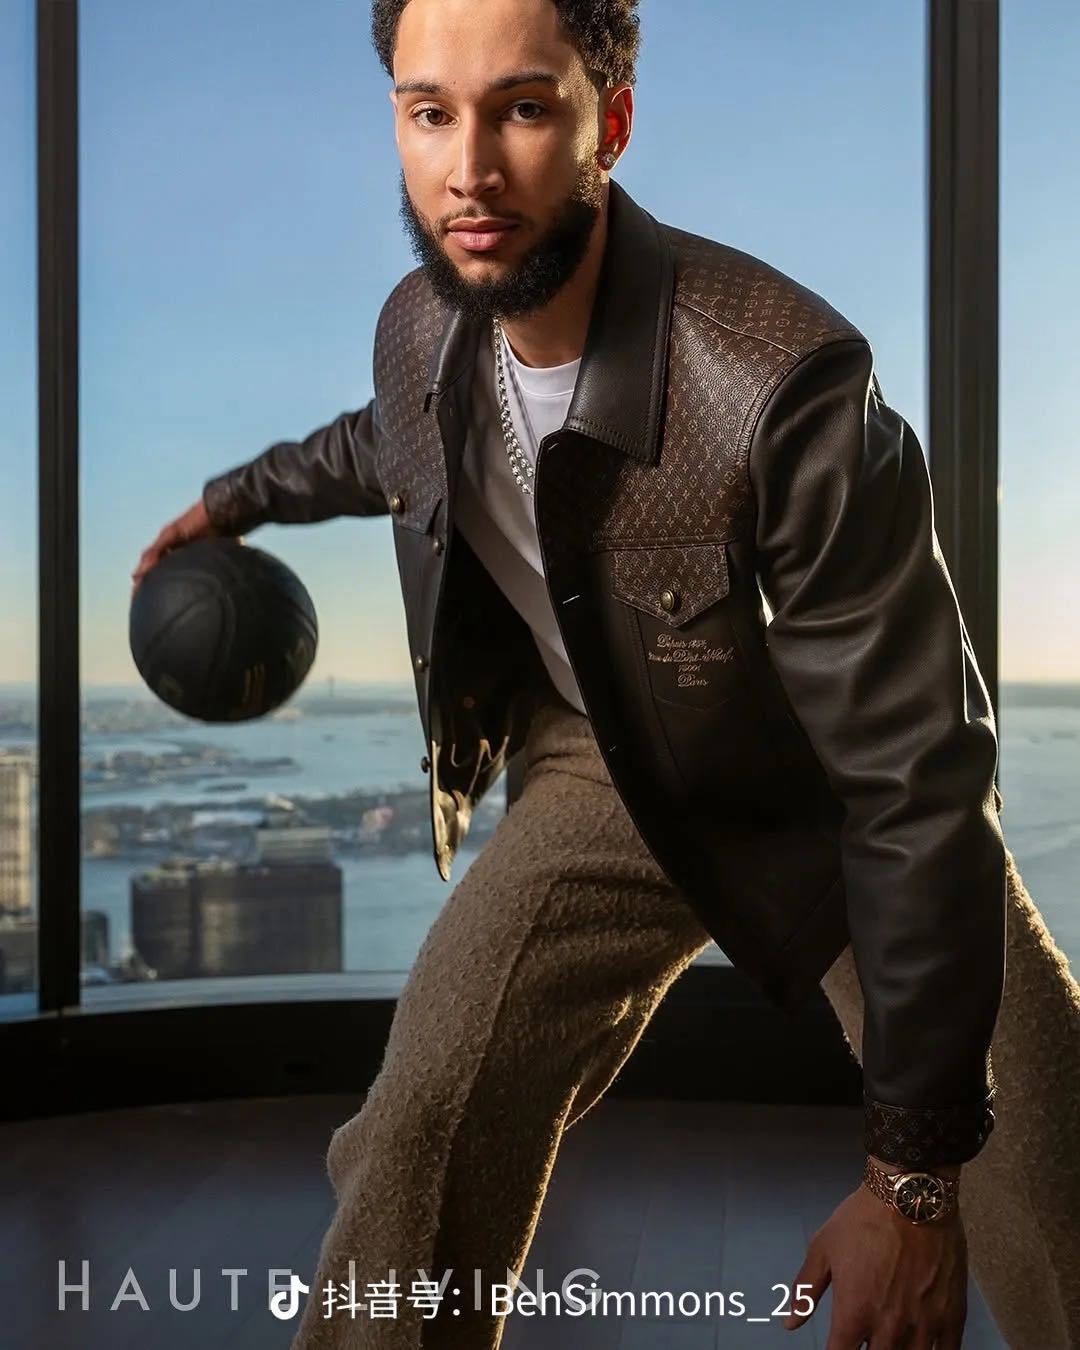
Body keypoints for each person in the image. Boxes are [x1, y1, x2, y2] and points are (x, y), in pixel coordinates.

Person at [133, 0, 1080, 1346]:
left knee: (1045, 1164)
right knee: (417, 1131)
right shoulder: (420, 327)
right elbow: (378, 442)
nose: (469, 169)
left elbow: (918, 781)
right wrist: (232, 502)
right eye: (429, 112)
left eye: (522, 107)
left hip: (826, 788)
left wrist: (912, 1184)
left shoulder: (783, 382)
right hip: (600, 759)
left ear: (609, 123)